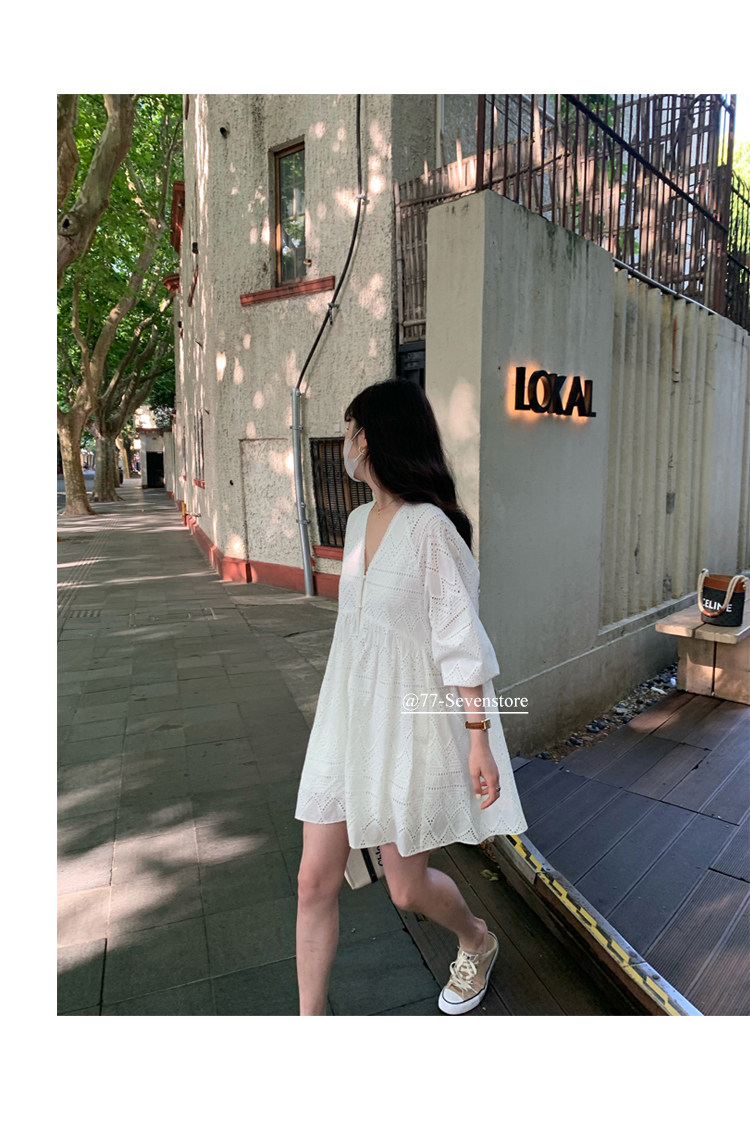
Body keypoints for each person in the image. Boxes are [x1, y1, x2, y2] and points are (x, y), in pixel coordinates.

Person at [294, 379, 528, 1015]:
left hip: (408, 727)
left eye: (353, 430)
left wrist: (478, 740)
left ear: (376, 438)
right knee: (313, 881)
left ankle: (476, 939)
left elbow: (459, 640)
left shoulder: (430, 527)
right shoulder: (356, 521)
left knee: (404, 889)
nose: (347, 443)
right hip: (347, 721)